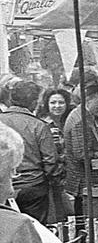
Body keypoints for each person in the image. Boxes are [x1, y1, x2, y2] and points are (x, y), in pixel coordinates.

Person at [0, 81, 63, 223]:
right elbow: (50, 161)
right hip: (33, 189)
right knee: (36, 230)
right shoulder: (38, 126)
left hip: (4, 187)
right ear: (34, 103)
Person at [63, 82, 98, 221]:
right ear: (88, 99)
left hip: (86, 181)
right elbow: (81, 154)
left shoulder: (85, 116)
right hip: (83, 182)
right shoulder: (80, 120)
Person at [38, 88, 71, 160]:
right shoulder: (42, 124)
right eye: (53, 103)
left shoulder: (69, 122)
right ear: (47, 104)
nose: (57, 106)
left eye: (61, 102)